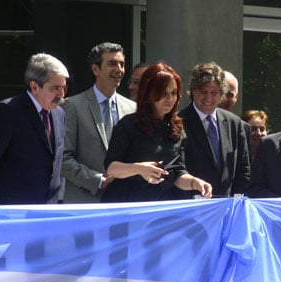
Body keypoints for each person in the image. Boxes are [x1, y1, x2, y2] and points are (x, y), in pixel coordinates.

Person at [101, 63, 212, 202]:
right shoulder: (128, 125)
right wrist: (138, 169)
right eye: (163, 93)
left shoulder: (177, 128)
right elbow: (111, 168)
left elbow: (178, 173)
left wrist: (194, 183)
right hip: (125, 205)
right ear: (149, 94)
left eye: (174, 93)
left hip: (158, 206)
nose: (170, 99)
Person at [0, 53, 69, 204]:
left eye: (64, 87)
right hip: (12, 210)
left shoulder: (59, 114)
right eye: (56, 88)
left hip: (49, 210)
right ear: (34, 86)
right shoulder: (8, 111)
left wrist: (58, 200)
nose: (62, 94)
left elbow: (57, 164)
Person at [61, 42, 136, 203]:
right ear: (96, 69)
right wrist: (98, 181)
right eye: (112, 64)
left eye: (121, 64)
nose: (119, 70)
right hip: (85, 201)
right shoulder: (72, 106)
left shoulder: (133, 108)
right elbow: (63, 158)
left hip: (123, 201)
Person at [178, 62, 251, 197]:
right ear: (193, 91)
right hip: (191, 207)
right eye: (203, 92)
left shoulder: (234, 123)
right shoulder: (178, 122)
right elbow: (177, 169)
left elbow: (243, 170)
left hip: (226, 207)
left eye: (214, 93)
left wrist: (235, 201)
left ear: (222, 94)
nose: (208, 98)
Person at [218, 70, 253, 154]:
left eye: (229, 95)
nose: (224, 99)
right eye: (221, 93)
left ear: (236, 97)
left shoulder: (243, 128)